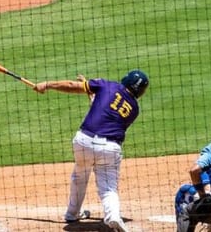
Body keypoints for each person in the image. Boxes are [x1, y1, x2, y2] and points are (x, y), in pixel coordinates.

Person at [33, 70, 148, 232]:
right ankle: (113, 216)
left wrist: (47, 84)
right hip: (109, 148)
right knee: (108, 188)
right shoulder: (134, 109)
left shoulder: (107, 85)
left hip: (83, 142)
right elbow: (107, 112)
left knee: (79, 176)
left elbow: (73, 86)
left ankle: (72, 213)